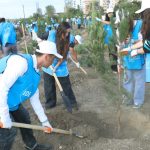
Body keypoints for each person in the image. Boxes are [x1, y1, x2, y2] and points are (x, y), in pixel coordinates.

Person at [0, 41, 62, 150]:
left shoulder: (35, 72)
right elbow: (2, 88)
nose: (53, 62)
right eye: (53, 58)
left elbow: (35, 99)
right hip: (1, 98)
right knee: (8, 132)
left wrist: (45, 122)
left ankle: (31, 146)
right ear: (47, 56)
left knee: (24, 117)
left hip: (11, 101)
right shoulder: (21, 63)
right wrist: (4, 117)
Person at [40, 22, 81, 111]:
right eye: (65, 32)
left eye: (68, 32)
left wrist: (56, 67)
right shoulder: (51, 34)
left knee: (66, 86)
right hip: (48, 63)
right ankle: (50, 104)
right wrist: (39, 41)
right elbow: (40, 39)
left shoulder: (69, 39)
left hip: (60, 65)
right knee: (48, 86)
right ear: (60, 31)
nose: (67, 34)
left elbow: (63, 56)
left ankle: (72, 103)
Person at [120, 0, 150, 108]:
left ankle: (138, 101)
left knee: (139, 82)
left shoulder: (142, 25)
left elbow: (146, 44)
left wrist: (134, 49)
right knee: (127, 80)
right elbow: (121, 45)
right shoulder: (123, 29)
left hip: (139, 60)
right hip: (128, 60)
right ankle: (127, 99)